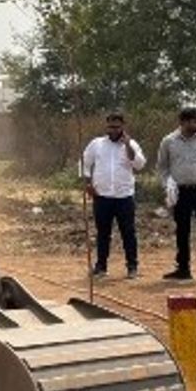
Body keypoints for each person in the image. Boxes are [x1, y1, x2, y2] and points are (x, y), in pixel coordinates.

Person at [156, 107, 196, 282]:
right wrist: (166, 186)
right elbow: (162, 167)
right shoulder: (168, 141)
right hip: (180, 192)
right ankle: (183, 269)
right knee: (182, 231)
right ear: (183, 122)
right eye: (194, 121)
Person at [81, 111, 146, 279]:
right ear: (106, 126)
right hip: (102, 196)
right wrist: (87, 183)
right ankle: (101, 267)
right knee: (103, 233)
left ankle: (132, 267)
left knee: (128, 232)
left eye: (117, 127)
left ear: (123, 126)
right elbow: (84, 163)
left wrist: (128, 145)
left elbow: (139, 164)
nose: (114, 130)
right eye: (111, 127)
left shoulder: (131, 144)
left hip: (124, 196)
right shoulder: (97, 144)